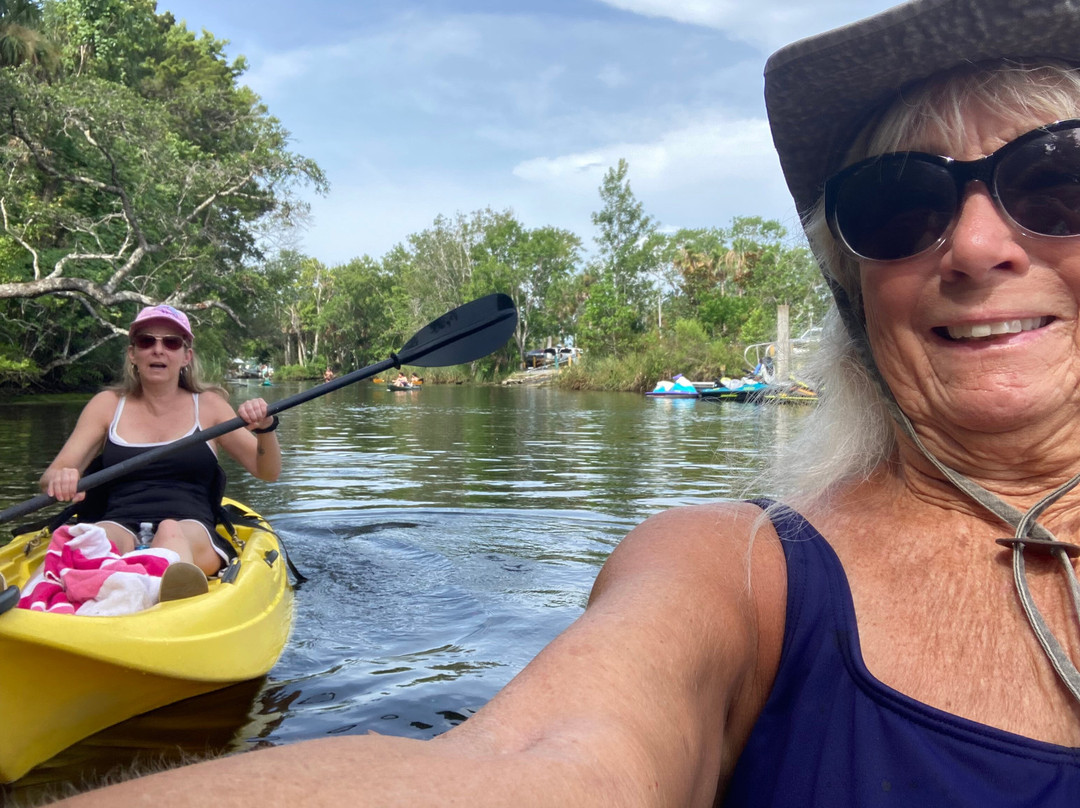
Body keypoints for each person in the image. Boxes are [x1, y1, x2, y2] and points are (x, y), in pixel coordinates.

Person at [53, 0, 1080, 804]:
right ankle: (97, 571)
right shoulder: (735, 571)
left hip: (191, 521)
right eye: (902, 202)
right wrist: (64, 476)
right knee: (117, 535)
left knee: (189, 533)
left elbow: (261, 479)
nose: (980, 247)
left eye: (1057, 179)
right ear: (852, 289)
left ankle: (153, 571)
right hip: (111, 515)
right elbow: (544, 763)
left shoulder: (216, 402)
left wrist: (261, 437)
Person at [40, 304, 282, 601]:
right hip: (120, 522)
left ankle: (157, 595)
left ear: (186, 356)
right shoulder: (107, 405)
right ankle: (52, 593)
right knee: (95, 536)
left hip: (190, 527)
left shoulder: (209, 406)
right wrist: (62, 478)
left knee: (169, 531)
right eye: (146, 341)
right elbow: (52, 473)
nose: (158, 350)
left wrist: (266, 428)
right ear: (133, 354)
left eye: (171, 342)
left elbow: (267, 472)